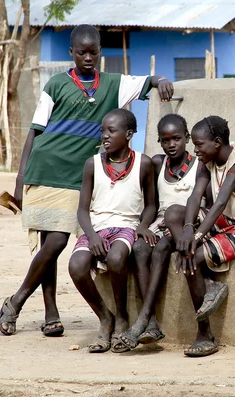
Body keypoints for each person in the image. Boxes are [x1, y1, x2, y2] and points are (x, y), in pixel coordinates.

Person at [0, 24, 173, 337]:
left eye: (93, 52)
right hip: (45, 169)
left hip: (76, 175)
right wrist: (20, 178)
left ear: (101, 53)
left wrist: (161, 80)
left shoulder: (114, 85)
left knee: (57, 241)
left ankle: (16, 300)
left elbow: (147, 81)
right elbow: (36, 131)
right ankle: (50, 311)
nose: (88, 58)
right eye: (82, 52)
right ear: (72, 53)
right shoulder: (56, 84)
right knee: (49, 245)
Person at [164, 116, 235, 357]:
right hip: (228, 223)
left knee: (192, 256)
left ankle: (204, 334)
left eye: (199, 144)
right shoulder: (208, 162)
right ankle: (209, 285)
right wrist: (187, 227)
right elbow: (195, 196)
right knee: (174, 213)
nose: (194, 150)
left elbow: (219, 203)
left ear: (217, 142)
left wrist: (195, 238)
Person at [68, 109, 157, 353]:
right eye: (103, 131)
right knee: (76, 266)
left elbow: (151, 204)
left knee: (117, 257)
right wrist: (93, 236)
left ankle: (121, 317)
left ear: (129, 134)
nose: (105, 136)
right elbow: (82, 210)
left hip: (126, 225)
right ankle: (104, 316)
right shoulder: (93, 164)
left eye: (112, 131)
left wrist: (142, 225)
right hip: (96, 227)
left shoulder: (143, 163)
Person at [120, 114, 199, 349]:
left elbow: (204, 201)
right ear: (159, 142)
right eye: (165, 140)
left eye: (176, 138)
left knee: (162, 246)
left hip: (186, 224)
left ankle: (143, 316)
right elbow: (152, 203)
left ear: (186, 138)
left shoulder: (199, 165)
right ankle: (152, 322)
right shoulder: (157, 163)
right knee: (139, 248)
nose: (171, 144)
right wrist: (143, 226)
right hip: (161, 221)